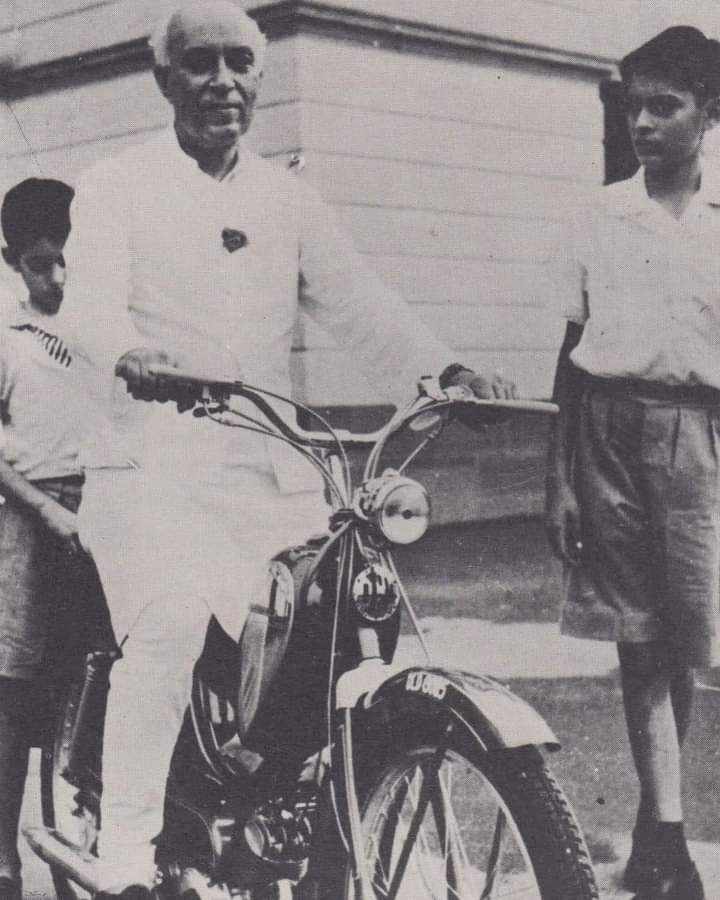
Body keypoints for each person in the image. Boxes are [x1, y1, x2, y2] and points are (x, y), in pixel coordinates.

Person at [56, 2, 515, 895]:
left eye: (240, 63)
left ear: (260, 78)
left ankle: (309, 835)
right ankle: (124, 856)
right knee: (172, 627)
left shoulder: (285, 197)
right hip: (152, 464)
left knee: (350, 633)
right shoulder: (116, 186)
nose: (222, 82)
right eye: (200, 65)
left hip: (267, 468)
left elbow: (361, 306)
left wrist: (446, 371)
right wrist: (132, 356)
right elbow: (85, 309)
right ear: (164, 80)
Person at [546, 25, 720, 900]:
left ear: (710, 112)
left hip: (702, 441)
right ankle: (668, 840)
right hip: (606, 435)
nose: (643, 122)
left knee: (692, 641)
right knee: (638, 641)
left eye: (666, 105)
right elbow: (571, 350)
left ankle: (663, 835)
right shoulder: (598, 212)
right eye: (632, 105)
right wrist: (559, 479)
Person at [0, 178, 108, 900]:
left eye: (71, 260)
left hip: (104, 512)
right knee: (16, 685)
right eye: (43, 264)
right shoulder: (4, 333)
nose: (60, 278)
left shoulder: (100, 325)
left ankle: (100, 838)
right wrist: (44, 510)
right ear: (12, 259)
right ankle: (4, 857)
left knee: (104, 677)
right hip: (29, 519)